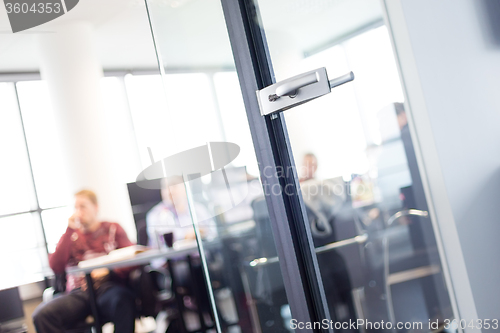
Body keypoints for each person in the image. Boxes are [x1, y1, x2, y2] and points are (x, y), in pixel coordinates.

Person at [32, 190, 136, 333]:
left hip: (107, 288)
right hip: (78, 294)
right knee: (42, 315)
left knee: (123, 300)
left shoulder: (113, 229)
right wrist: (69, 231)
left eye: (83, 206)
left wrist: (109, 270)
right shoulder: (71, 236)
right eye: (76, 207)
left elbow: (132, 257)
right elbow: (56, 266)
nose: (78, 212)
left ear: (95, 207)